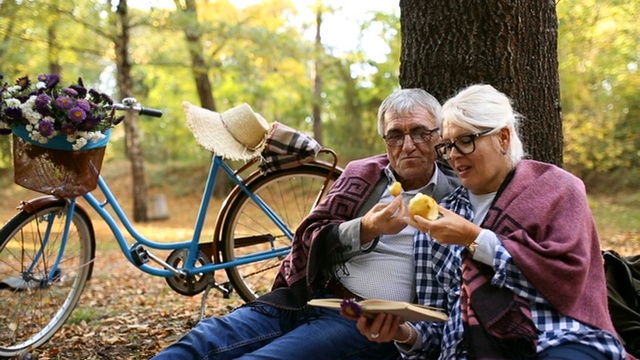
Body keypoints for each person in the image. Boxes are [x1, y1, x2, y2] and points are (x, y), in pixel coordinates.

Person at [152, 88, 460, 359]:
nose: (407, 145)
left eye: (419, 132)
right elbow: (308, 235)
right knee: (201, 342)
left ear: (438, 137)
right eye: (395, 135)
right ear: (385, 140)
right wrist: (366, 228)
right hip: (305, 297)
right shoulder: (363, 173)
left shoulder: (457, 196)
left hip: (360, 319)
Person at [353, 84, 630, 359]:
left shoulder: (557, 189)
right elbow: (435, 327)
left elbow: (566, 283)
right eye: (448, 145)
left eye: (466, 140)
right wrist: (402, 332)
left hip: (556, 340)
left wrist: (473, 238)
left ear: (504, 137)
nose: (454, 154)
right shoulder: (437, 217)